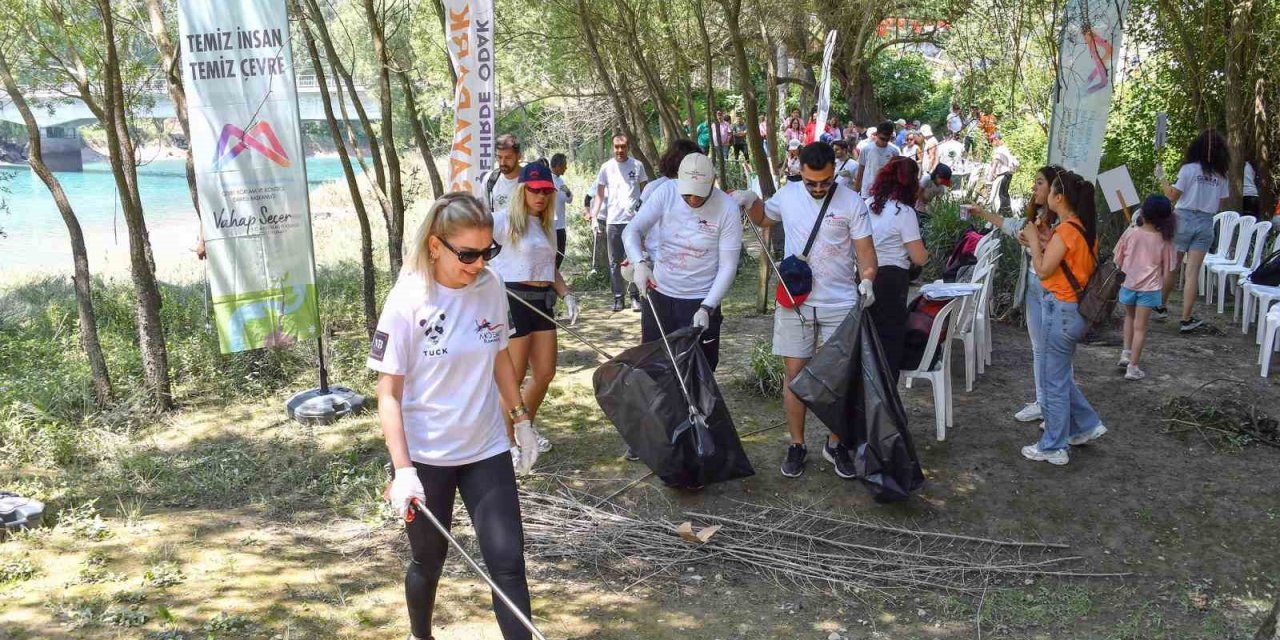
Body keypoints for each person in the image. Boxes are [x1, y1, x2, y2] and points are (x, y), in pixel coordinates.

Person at [372, 192, 535, 640]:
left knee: (508, 563)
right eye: (468, 254)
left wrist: (520, 418)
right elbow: (388, 394)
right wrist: (403, 470)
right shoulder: (408, 300)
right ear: (435, 246)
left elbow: (501, 356)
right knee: (429, 561)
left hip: (485, 448)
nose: (479, 263)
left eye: (488, 252)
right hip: (427, 458)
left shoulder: (491, 286)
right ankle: (420, 635)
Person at [737, 142, 879, 480]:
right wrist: (748, 199)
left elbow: (867, 255)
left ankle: (836, 443)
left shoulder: (851, 202)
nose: (818, 188)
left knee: (838, 379)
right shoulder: (788, 195)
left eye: (825, 181)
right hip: (796, 300)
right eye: (811, 182)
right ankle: (797, 445)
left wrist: (868, 281)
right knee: (795, 377)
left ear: (835, 172)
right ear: (800, 171)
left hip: (840, 301)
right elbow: (762, 218)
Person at [491, 162, 580, 465]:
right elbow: (472, 237)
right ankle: (505, 442)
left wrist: (566, 294)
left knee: (544, 373)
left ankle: (523, 428)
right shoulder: (505, 221)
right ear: (522, 190)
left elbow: (550, 267)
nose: (541, 196)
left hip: (542, 301)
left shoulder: (546, 225)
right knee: (512, 377)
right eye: (534, 190)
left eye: (546, 191)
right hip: (514, 300)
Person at [1019, 170, 1107, 465]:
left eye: (1051, 191)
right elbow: (1064, 263)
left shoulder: (1067, 230)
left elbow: (1043, 270)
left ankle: (1053, 446)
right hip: (1074, 311)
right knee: (1058, 377)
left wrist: (1033, 239)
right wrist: (1045, 239)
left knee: (1052, 380)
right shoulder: (1082, 228)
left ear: (1059, 198)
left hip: (1062, 311)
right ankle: (1086, 425)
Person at [625, 152, 743, 369]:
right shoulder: (666, 192)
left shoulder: (727, 208)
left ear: (713, 182)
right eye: (687, 194)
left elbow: (728, 266)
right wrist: (639, 263)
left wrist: (707, 307)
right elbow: (632, 230)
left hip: (701, 299)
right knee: (654, 366)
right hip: (660, 294)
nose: (693, 200)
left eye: (700, 195)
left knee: (699, 369)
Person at [967, 165, 1064, 424]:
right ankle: (1042, 402)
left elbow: (1060, 254)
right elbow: (1010, 225)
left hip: (1054, 292)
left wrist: (1036, 242)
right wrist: (982, 212)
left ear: (1056, 189)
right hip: (1033, 287)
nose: (1034, 187)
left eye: (1040, 182)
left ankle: (1055, 410)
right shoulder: (1036, 217)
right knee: (1038, 348)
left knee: (1055, 352)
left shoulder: (1065, 223)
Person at [1156, 129, 1231, 331]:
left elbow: (1171, 195)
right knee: (1193, 272)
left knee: (1172, 266)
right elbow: (1222, 202)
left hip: (1183, 219)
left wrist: (1162, 177)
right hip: (1206, 223)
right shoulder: (1221, 175)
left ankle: (1161, 306)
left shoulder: (1189, 169)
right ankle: (1186, 319)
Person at [864, 157, 928, 381]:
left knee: (866, 340)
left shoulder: (866, 204)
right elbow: (919, 258)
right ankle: (886, 400)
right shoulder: (904, 212)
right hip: (891, 280)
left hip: (863, 275)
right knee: (889, 343)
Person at [1113, 195, 1178, 381]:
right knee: (1141, 328)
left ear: (1143, 212)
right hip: (1149, 289)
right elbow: (1169, 269)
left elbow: (1117, 258)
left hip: (1128, 284)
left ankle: (1125, 352)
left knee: (1129, 317)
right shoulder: (1166, 241)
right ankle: (1133, 367)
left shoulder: (1131, 232)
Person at [590, 135, 650, 312]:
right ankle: (618, 297)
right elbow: (599, 195)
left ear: (628, 147)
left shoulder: (637, 165)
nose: (620, 150)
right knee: (614, 261)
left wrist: (645, 213)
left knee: (633, 259)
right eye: (616, 147)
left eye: (623, 147)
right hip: (613, 221)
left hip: (633, 222)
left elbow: (646, 190)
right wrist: (594, 217)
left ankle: (634, 296)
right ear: (612, 147)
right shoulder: (606, 168)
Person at [639, 139, 703, 262]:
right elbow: (638, 226)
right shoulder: (654, 188)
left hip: (691, 258)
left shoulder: (700, 189)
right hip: (659, 258)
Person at [854, 121, 901, 198]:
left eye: (887, 139)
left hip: (886, 191)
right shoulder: (866, 149)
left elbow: (896, 173)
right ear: (877, 134)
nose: (884, 142)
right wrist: (856, 191)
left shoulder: (894, 151)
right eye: (882, 138)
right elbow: (860, 171)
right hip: (867, 191)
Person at [485, 134, 522, 213]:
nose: (502, 162)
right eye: (499, 157)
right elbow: (485, 212)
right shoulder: (490, 179)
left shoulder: (530, 180)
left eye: (508, 158)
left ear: (519, 156)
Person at [549, 153, 571, 269]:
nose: (565, 168)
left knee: (561, 253)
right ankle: (550, 281)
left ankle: (554, 280)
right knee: (550, 255)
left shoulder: (561, 181)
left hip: (561, 224)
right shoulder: (547, 178)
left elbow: (568, 200)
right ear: (557, 165)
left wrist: (568, 192)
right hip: (549, 225)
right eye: (564, 166)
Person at [987, 134, 1019, 213]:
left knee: (999, 194)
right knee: (1004, 193)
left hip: (1003, 174)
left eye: (991, 141)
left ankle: (1002, 213)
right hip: (1008, 174)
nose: (991, 143)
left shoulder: (999, 150)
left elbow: (995, 164)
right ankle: (1008, 212)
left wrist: (989, 179)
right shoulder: (1005, 149)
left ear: (996, 139)